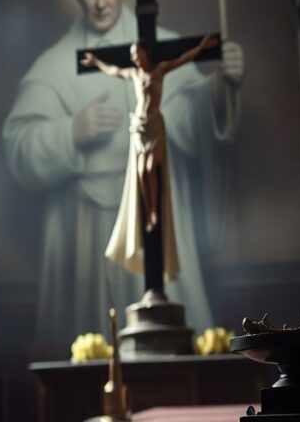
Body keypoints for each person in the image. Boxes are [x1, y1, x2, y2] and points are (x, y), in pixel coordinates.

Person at [2, 0, 244, 349]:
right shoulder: (57, 65)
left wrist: (222, 87)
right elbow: (19, 147)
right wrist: (70, 132)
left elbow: (189, 116)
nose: (101, 2)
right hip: (85, 234)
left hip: (153, 212)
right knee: (91, 351)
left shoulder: (160, 49)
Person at [82, 34, 219, 281]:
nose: (134, 57)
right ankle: (148, 209)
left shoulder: (160, 70)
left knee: (149, 168)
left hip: (155, 125)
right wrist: (96, 62)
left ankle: (154, 210)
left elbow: (183, 59)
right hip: (139, 127)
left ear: (146, 54)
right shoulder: (134, 75)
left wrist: (201, 47)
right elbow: (114, 70)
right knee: (141, 172)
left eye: (137, 53)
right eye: (132, 55)